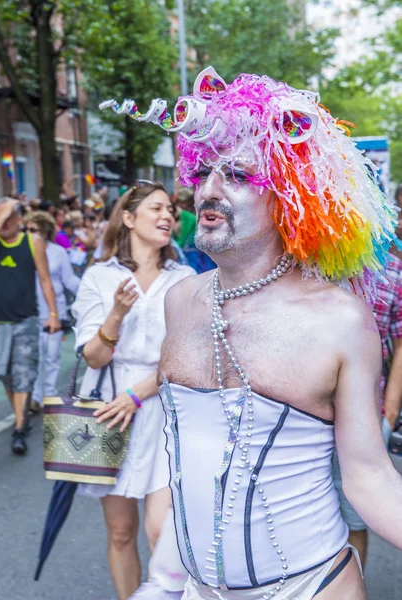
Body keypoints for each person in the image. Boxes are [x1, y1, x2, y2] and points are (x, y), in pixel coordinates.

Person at [102, 68, 402, 600]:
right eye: (205, 172)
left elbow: (369, 476)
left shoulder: (340, 319)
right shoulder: (181, 300)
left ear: (289, 198)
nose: (210, 190)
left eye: (238, 175)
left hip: (311, 588)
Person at [71, 182, 195, 600]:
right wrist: (116, 315)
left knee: (161, 531)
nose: (167, 217)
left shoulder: (185, 278)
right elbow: (93, 357)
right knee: (121, 532)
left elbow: (187, 356)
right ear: (128, 218)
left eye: (171, 211)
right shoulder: (99, 276)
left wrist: (139, 393)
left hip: (165, 408)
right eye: (157, 208)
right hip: (110, 414)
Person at [331, 252, 402, 567]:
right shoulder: (306, 256)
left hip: (367, 414)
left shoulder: (393, 269)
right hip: (305, 414)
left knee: (354, 519)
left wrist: (390, 408)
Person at [0, 198, 60, 454]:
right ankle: (21, 416)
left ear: (19, 219)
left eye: (9, 216)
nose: (4, 222)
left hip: (25, 321)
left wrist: (53, 313)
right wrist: (2, 215)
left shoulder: (32, 242)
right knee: (6, 375)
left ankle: (20, 427)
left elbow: (45, 281)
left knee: (23, 374)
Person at [23, 211, 80, 413]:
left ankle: (49, 394)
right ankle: (36, 398)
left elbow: (69, 280)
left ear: (45, 232)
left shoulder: (58, 252)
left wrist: (89, 292)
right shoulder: (24, 251)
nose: (29, 234)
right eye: (26, 230)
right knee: (34, 357)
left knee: (53, 356)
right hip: (30, 311)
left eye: (34, 230)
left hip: (55, 311)